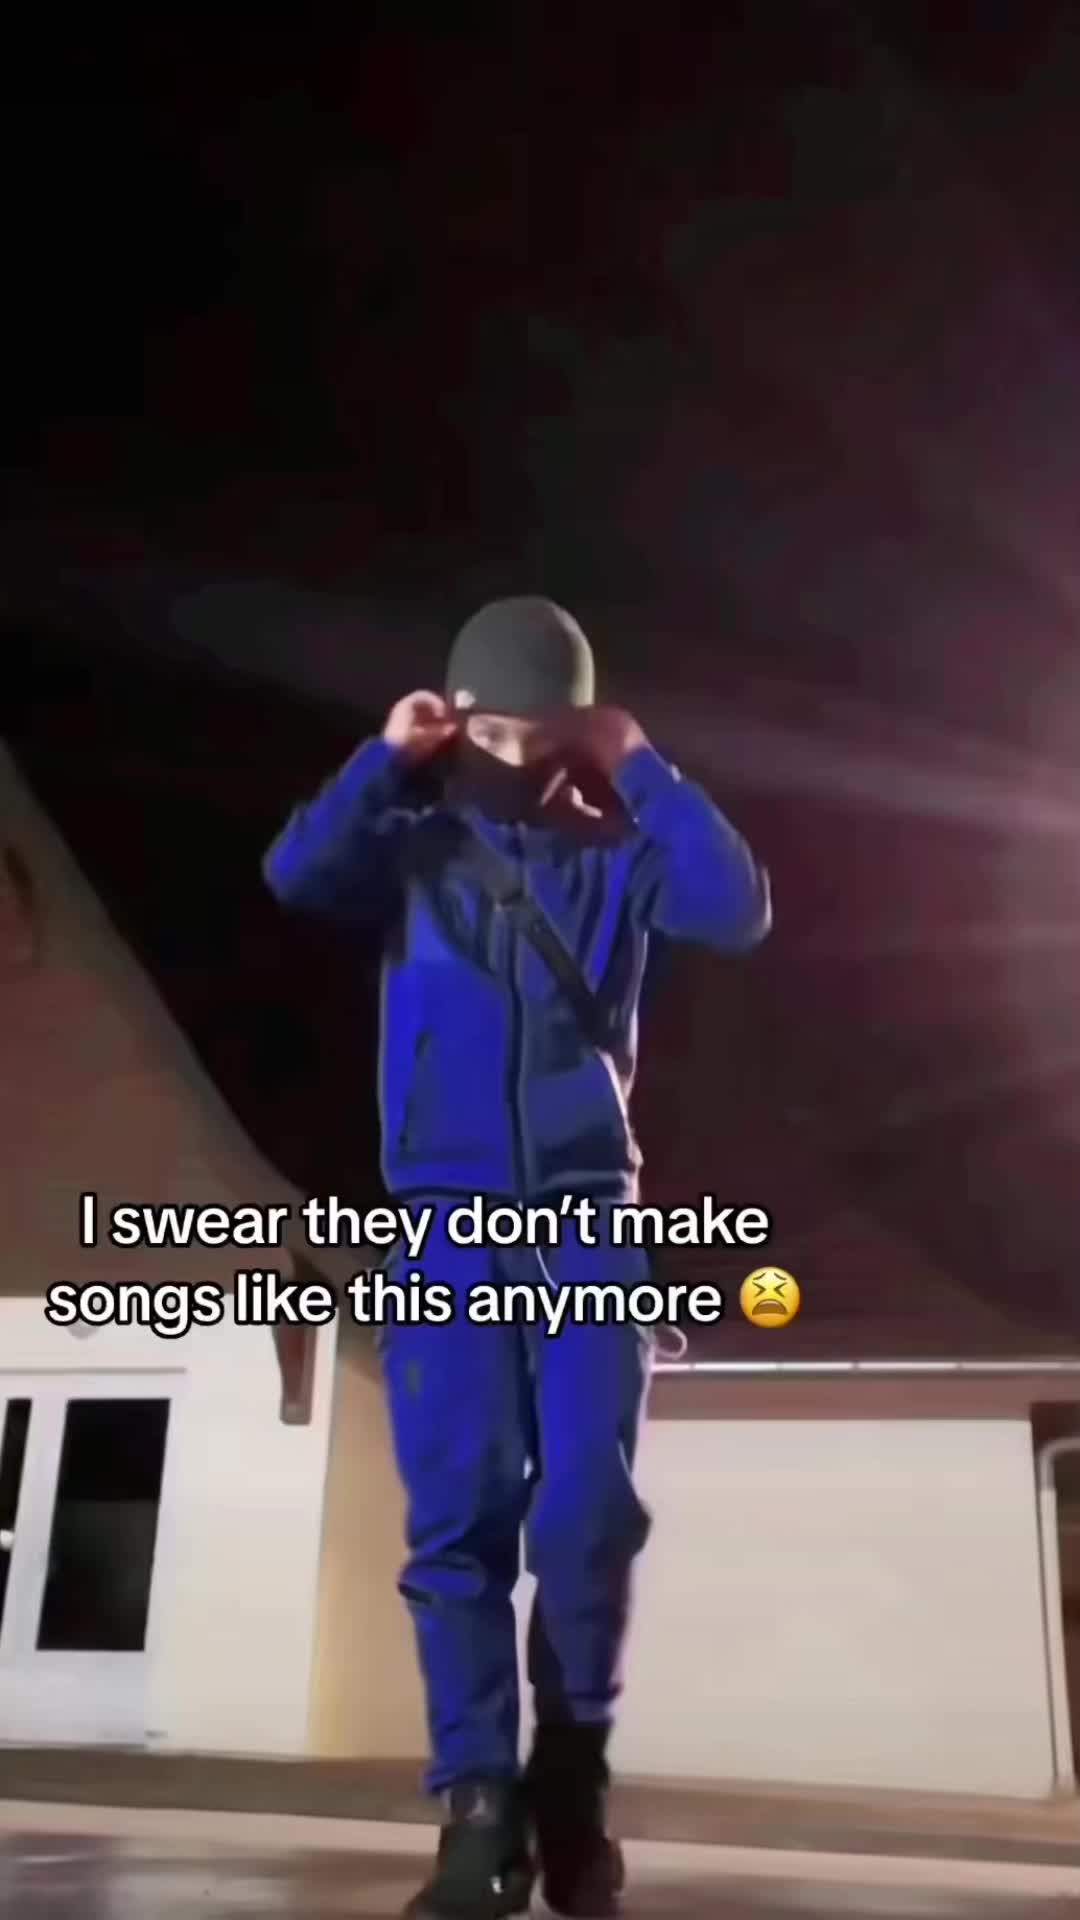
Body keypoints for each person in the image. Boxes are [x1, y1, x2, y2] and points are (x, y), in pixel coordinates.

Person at [263, 597, 771, 1919]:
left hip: (592, 1219)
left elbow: (736, 909)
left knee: (590, 1513)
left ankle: (572, 1770)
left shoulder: (618, 852)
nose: (510, 752)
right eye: (487, 731)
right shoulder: (414, 847)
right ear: (458, 724)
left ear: (575, 731)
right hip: (445, 1220)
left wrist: (642, 763)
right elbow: (297, 875)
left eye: (538, 733)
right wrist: (388, 756)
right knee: (460, 1515)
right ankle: (479, 1809)